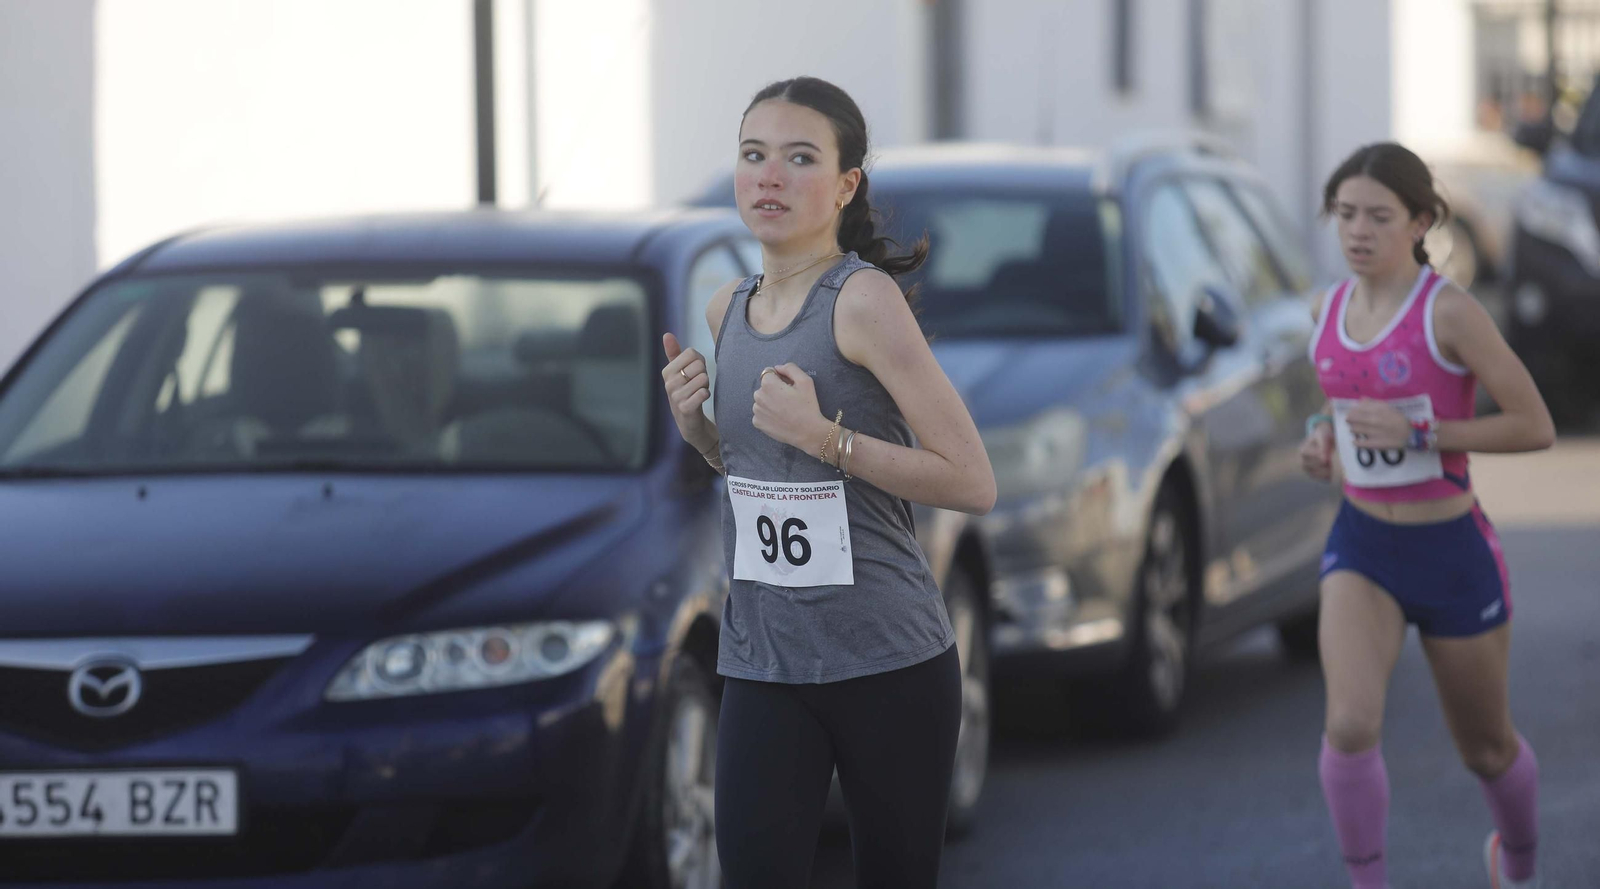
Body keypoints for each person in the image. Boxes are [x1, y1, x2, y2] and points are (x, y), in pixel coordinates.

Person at [659, 76, 996, 889]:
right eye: (753, 156)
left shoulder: (863, 303)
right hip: (765, 664)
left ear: (846, 185)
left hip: (887, 662)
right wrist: (700, 432)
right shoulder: (724, 309)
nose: (769, 177)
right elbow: (759, 474)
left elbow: (971, 480)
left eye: (799, 158)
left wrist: (829, 437)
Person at [1301, 142, 1555, 889]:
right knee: (1349, 724)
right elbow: (1336, 411)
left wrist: (1423, 433)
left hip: (1450, 549)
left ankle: (1520, 863)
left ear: (1419, 223)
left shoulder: (1451, 312)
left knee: (1485, 748)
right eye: (1345, 214)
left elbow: (1534, 424)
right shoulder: (1327, 308)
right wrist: (1319, 441)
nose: (1358, 231)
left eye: (1379, 216)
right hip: (1362, 544)